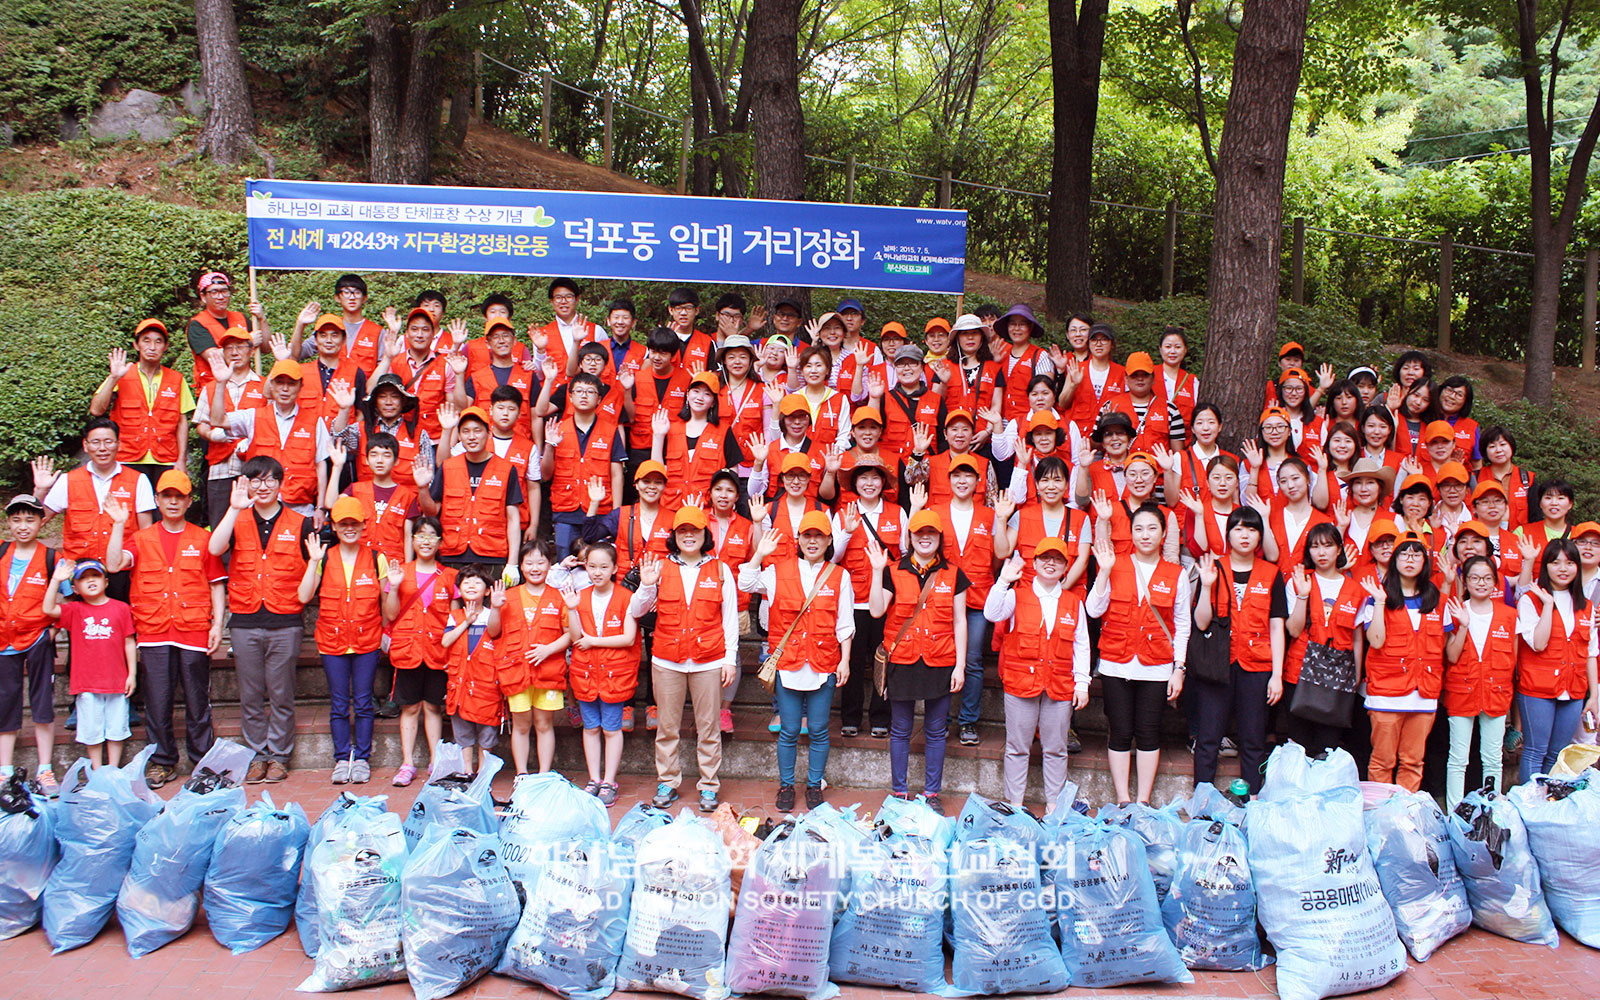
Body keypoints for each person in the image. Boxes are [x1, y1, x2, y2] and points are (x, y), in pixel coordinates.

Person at [104, 471, 227, 789]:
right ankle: (161, 761)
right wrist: (118, 525)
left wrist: (217, 624)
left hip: (193, 629)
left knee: (198, 701)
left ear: (189, 501)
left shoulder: (202, 539)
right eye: (167, 496)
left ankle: (203, 762)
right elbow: (113, 564)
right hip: (154, 630)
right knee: (157, 701)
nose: (173, 502)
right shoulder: (141, 538)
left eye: (179, 496)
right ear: (157, 500)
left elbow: (216, 584)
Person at [209, 457, 313, 784]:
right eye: (256, 480)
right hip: (245, 619)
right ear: (247, 484)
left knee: (281, 693)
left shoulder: (301, 523)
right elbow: (214, 548)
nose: (263, 486)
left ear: (281, 484)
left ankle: (279, 756)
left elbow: (312, 570)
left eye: (269, 480)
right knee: (250, 694)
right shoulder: (236, 517)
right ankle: (257, 754)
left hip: (286, 619)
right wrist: (233, 508)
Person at [742, 511, 855, 811]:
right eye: (807, 535)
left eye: (819, 536)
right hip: (788, 663)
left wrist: (845, 660)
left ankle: (814, 785)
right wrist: (759, 554)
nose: (813, 541)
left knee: (818, 729)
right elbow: (745, 583)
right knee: (789, 730)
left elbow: (845, 623)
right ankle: (787, 786)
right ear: (799, 540)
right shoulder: (778, 571)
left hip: (823, 662)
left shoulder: (839, 576)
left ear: (829, 540)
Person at [633, 506, 738, 812]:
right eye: (682, 531)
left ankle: (709, 785)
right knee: (667, 727)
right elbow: (637, 610)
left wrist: (730, 659)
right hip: (667, 660)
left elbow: (729, 618)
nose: (689, 535)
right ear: (674, 535)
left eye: (695, 530)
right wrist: (647, 584)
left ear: (705, 534)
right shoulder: (660, 568)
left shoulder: (720, 570)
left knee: (709, 727)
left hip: (709, 660)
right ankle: (667, 781)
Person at [867, 510, 969, 815]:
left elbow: (960, 621)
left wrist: (960, 665)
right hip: (903, 658)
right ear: (910, 537)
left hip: (940, 658)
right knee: (900, 728)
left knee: (936, 730)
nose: (925, 538)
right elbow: (876, 611)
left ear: (939, 538)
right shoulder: (893, 571)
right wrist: (876, 571)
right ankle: (899, 792)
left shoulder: (954, 574)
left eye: (931, 533)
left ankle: (932, 793)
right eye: (919, 532)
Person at [1087, 506, 1189, 804]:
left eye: (1152, 528)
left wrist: (1179, 668)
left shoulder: (1177, 574)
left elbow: (1182, 624)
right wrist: (1104, 572)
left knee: (1148, 732)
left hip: (1157, 665)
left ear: (1163, 534)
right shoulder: (1114, 564)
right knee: (1119, 731)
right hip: (1115, 663)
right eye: (1139, 529)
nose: (1145, 535)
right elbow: (1093, 610)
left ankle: (1142, 800)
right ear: (1130, 533)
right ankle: (1123, 799)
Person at [987, 539, 1090, 812]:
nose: (1050, 563)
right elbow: (991, 613)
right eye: (1045, 558)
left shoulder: (1074, 603)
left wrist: (1082, 683)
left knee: (1056, 748)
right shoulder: (1016, 595)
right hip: (1020, 683)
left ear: (1066, 567)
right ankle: (1015, 805)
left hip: (1059, 685)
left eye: (1057, 559)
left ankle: (1054, 806)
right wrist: (1003, 581)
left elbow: (1082, 645)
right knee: (1017, 747)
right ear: (1034, 563)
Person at [1191, 507, 1285, 796]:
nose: (1245, 535)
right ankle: (1202, 799)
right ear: (1228, 534)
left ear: (1260, 536)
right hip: (1218, 663)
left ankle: (1252, 797)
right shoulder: (1214, 568)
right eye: (1238, 529)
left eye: (1252, 529)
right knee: (1208, 736)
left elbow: (1277, 626)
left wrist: (1277, 675)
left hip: (1257, 665)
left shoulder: (1271, 574)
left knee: (1253, 737)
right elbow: (1201, 622)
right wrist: (1206, 587)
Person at [1362, 532, 1453, 792]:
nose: (1410, 559)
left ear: (1425, 561)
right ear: (1394, 560)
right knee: (1382, 761)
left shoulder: (1438, 601)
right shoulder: (1378, 597)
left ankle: (1405, 812)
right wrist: (1380, 602)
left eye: (1416, 554)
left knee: (1413, 762)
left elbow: (1442, 646)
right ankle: (1380, 812)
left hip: (1423, 694)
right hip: (1386, 694)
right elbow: (1375, 640)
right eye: (1404, 553)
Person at [33, 417, 157, 600]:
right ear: (85, 445)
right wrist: (40, 491)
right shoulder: (68, 480)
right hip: (79, 572)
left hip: (121, 572)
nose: (102, 448)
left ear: (119, 444)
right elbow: (37, 522)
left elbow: (145, 534)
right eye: (96, 442)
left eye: (108, 442)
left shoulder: (138, 480)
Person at [937, 457, 1012, 746]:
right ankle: (941, 719)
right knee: (943, 658)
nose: (962, 481)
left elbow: (1000, 554)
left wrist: (1002, 520)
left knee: (973, 661)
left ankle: (968, 721)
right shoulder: (936, 512)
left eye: (968, 475)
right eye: (957, 475)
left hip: (978, 598)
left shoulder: (990, 515)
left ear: (978, 482)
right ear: (949, 479)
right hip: (943, 598)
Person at [1515, 539, 1599, 782]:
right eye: (1556, 562)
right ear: (1546, 566)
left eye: (1570, 563)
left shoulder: (1586, 605)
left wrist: (1593, 696)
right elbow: (1539, 643)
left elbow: (1591, 653)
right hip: (1537, 689)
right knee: (1535, 751)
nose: (1563, 568)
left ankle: (1549, 802)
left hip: (1573, 690)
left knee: (1558, 754)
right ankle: (1530, 802)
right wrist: (1548, 605)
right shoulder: (1530, 600)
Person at [564, 541, 641, 805]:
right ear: (585, 567)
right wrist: (571, 609)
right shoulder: (579, 596)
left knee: (611, 729)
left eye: (603, 567)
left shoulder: (626, 597)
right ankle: (594, 779)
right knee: (590, 728)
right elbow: (575, 637)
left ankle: (609, 781)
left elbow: (628, 638)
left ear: (615, 569)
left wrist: (593, 642)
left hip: (614, 675)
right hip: (585, 674)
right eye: (592, 566)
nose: (597, 572)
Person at [382, 516, 456, 787]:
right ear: (412, 541)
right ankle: (407, 763)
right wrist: (394, 586)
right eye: (420, 535)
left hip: (437, 650)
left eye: (431, 536)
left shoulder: (449, 576)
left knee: (433, 706)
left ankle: (435, 761)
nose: (426, 541)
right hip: (408, 649)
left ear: (440, 542)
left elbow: (454, 618)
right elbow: (391, 614)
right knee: (410, 707)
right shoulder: (400, 572)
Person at [832, 457, 903, 738]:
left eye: (875, 477)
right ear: (855, 483)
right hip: (852, 601)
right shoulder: (842, 514)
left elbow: (905, 556)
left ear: (883, 482)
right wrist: (847, 532)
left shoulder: (898, 513)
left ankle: (880, 718)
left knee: (883, 660)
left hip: (886, 602)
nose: (869, 483)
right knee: (852, 659)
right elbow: (832, 557)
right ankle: (850, 718)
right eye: (863, 478)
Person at [42, 560, 135, 770]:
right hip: (86, 682)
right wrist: (56, 580)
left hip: (116, 680)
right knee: (91, 729)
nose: (90, 580)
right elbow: (48, 609)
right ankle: (96, 769)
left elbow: (129, 642)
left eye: (95, 576)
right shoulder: (74, 610)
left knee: (116, 728)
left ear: (106, 582)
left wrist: (132, 674)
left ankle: (112, 769)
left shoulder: (121, 608)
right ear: (75, 588)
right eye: (83, 578)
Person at [216, 359, 336, 517]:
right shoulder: (253, 417)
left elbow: (321, 466)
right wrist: (220, 383)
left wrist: (320, 508)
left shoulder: (315, 422)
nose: (285, 389)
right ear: (271, 385)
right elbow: (218, 420)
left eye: (291, 384)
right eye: (279, 383)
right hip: (259, 506)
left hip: (300, 508)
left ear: (301, 386)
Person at [1284, 522, 1365, 755]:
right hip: (1299, 672)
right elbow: (1293, 630)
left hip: (1338, 676)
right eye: (1315, 546)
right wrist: (1303, 595)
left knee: (1327, 749)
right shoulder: (1298, 580)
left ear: (1339, 549)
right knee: (1298, 747)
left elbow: (1357, 637)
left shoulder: (1356, 590)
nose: (1321, 552)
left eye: (1328, 545)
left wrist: (1357, 674)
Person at [1443, 555, 1516, 809]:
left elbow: (1513, 659)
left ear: (1496, 582)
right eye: (1474, 578)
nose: (1481, 583)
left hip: (1497, 693)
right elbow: (1451, 656)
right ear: (1465, 581)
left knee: (1493, 759)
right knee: (1458, 759)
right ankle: (1454, 813)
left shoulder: (1509, 615)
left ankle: (1491, 810)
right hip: (1461, 692)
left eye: (1487, 578)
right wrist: (1463, 626)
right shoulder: (1455, 610)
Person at [88, 319, 194, 487]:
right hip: (127, 457)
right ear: (136, 345)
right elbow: (96, 409)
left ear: (165, 347)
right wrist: (113, 377)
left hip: (166, 458)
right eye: (146, 340)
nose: (152, 347)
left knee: (164, 503)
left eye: (158, 342)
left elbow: (182, 422)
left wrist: (181, 460)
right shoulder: (122, 374)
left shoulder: (176, 379)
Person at [499, 541, 572, 775]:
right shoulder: (508, 596)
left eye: (540, 562)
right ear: (520, 566)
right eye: (529, 563)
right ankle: (521, 773)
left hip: (548, 672)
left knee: (544, 724)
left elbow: (570, 634)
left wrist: (548, 650)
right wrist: (494, 608)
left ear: (550, 565)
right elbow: (493, 632)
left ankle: (544, 774)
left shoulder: (559, 598)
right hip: (516, 671)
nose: (535, 568)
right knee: (521, 725)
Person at [424, 405, 522, 579]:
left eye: (477, 431)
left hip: (492, 555)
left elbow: (513, 518)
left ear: (489, 434)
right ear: (459, 436)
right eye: (466, 431)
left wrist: (512, 563)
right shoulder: (448, 467)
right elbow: (432, 511)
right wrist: (422, 488)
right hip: (452, 554)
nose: (471, 437)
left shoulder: (506, 469)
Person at [0, 495, 58, 788]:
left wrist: (54, 630)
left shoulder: (51, 558)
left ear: (41, 522)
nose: (23, 526)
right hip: (3, 640)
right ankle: (5, 770)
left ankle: (45, 769)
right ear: (8, 523)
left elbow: (67, 600)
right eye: (16, 520)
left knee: (42, 703)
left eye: (30, 520)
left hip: (37, 638)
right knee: (5, 702)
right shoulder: (1, 552)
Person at [543, 374, 626, 557]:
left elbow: (617, 475)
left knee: (599, 563)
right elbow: (545, 475)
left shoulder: (610, 431)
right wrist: (549, 445)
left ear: (599, 399)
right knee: (566, 563)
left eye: (590, 392)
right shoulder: (557, 429)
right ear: (570, 397)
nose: (584, 395)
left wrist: (616, 513)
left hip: (601, 511)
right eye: (579, 391)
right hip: (566, 510)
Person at [194, 325, 264, 526]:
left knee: (253, 526)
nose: (234, 352)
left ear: (251, 350)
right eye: (229, 347)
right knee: (220, 524)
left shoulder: (264, 386)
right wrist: (212, 435)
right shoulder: (211, 387)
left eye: (240, 346)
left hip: (255, 470)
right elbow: (201, 424)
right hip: (221, 468)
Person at [441, 566, 507, 774]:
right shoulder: (455, 616)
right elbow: (445, 641)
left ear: (487, 591)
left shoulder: (491, 615)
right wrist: (466, 623)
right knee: (462, 731)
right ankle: (467, 771)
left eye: (477, 582)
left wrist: (496, 608)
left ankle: (483, 774)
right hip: (460, 683)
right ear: (459, 589)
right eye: (466, 582)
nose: (471, 585)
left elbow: (495, 632)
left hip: (486, 682)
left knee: (487, 729)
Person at [654, 371, 745, 507]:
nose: (699, 397)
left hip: (707, 508)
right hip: (671, 507)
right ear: (687, 394)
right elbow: (656, 470)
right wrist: (658, 436)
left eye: (707, 394)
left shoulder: (724, 432)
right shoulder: (670, 429)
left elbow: (732, 474)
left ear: (713, 402)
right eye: (696, 391)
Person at [327, 433, 417, 565]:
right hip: (362, 563)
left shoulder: (407, 496)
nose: (380, 460)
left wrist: (408, 569)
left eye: (386, 455)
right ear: (367, 460)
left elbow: (408, 537)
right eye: (374, 455)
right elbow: (331, 504)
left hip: (393, 565)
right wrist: (337, 467)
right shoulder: (355, 490)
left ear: (396, 461)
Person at [344, 372, 434, 489]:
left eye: (394, 397)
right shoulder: (360, 430)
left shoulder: (419, 434)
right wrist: (343, 409)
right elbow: (339, 441)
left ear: (403, 401)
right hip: (367, 497)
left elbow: (429, 478)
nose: (388, 402)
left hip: (407, 499)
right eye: (382, 397)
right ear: (375, 401)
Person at [291, 275, 387, 374]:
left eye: (357, 292)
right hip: (331, 382)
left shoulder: (377, 332)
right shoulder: (329, 326)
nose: (352, 297)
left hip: (365, 383)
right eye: (346, 292)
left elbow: (384, 368)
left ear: (364, 298)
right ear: (337, 297)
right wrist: (300, 325)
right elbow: (295, 355)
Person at [186, 270, 255, 393]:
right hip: (213, 388)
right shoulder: (197, 324)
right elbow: (213, 357)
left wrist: (261, 318)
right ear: (203, 297)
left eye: (224, 291)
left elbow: (265, 348)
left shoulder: (241, 318)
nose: (220, 297)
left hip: (244, 386)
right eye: (214, 292)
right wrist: (248, 342)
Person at [1103, 351, 1185, 454]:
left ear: (1153, 378)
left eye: (1145, 375)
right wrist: (1105, 424)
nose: (1140, 379)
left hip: (1158, 464)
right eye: (1134, 375)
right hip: (1122, 464)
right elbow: (1096, 444)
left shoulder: (1170, 409)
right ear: (1126, 379)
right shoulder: (1110, 406)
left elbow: (1178, 454)